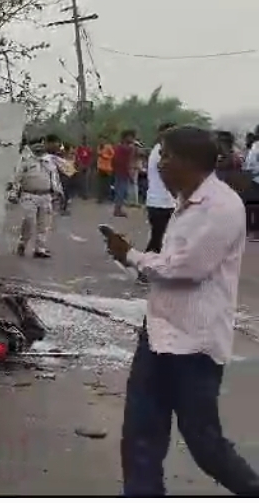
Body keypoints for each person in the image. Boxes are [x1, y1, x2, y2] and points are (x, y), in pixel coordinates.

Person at [103, 126, 259, 496]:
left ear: (190, 161)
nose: (158, 164)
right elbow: (172, 263)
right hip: (158, 333)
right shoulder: (186, 201)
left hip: (194, 344)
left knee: (204, 442)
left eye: (166, 156)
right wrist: (132, 260)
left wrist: (132, 256)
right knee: (140, 435)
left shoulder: (221, 207)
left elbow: (187, 268)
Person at [10, 138, 62, 258]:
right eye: (36, 145)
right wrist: (13, 192)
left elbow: (54, 177)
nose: (38, 147)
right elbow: (17, 178)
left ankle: (40, 248)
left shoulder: (49, 161)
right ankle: (23, 242)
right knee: (29, 220)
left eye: (40, 144)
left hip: (46, 195)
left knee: (44, 224)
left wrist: (58, 192)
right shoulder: (25, 160)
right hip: (29, 194)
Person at [144, 123, 176, 257]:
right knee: (157, 240)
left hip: (162, 201)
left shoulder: (161, 150)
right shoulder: (161, 153)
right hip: (161, 202)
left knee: (160, 239)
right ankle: (144, 264)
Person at [112, 130, 138, 217]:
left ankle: (117, 208)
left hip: (119, 171)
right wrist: (130, 173)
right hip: (123, 171)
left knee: (119, 190)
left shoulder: (119, 147)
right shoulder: (128, 149)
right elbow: (130, 161)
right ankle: (118, 209)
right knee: (121, 191)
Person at [96, 139, 115, 203]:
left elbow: (113, 154)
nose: (101, 141)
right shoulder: (99, 147)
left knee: (108, 183)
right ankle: (100, 198)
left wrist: (106, 156)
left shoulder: (108, 147)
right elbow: (99, 154)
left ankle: (109, 197)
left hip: (107, 168)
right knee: (100, 184)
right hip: (100, 167)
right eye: (100, 140)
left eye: (102, 140)